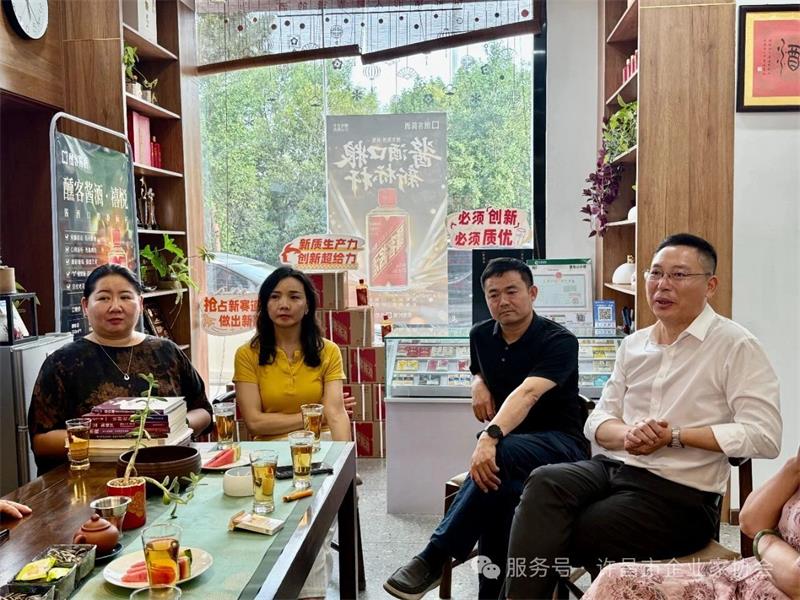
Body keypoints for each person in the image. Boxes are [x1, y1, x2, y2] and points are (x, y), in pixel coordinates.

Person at [504, 233, 783, 599]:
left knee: (562, 528)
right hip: (615, 468)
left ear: (710, 285)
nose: (662, 285)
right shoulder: (634, 344)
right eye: (655, 273)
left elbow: (764, 436)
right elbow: (597, 420)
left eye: (679, 275)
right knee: (543, 482)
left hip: (681, 495)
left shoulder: (735, 345)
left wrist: (674, 436)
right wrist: (630, 434)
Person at [384, 257, 590, 600]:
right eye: (494, 294)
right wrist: (477, 382)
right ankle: (493, 593)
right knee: (500, 490)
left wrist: (489, 437)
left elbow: (527, 393)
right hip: (511, 451)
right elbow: (479, 368)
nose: (503, 301)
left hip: (561, 445)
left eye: (512, 291)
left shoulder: (559, 340)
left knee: (498, 457)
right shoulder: (480, 335)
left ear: (532, 293)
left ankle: (435, 556)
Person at [233, 266, 351, 600]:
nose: (284, 304)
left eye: (294, 297)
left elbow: (336, 413)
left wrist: (345, 463)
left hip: (320, 450)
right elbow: (255, 423)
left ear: (308, 305)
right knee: (269, 518)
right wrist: (310, 416)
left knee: (311, 520)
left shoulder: (328, 351)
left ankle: (310, 594)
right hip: (268, 455)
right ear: (264, 304)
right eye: (275, 297)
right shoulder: (248, 354)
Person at [28, 264, 213, 474]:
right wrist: (109, 442)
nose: (115, 306)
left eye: (125, 297)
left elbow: (204, 412)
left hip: (167, 473)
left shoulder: (166, 351)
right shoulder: (62, 362)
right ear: (85, 306)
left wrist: (172, 427)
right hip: (90, 480)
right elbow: (41, 440)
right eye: (104, 298)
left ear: (140, 303)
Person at [581, 445, 800, 599]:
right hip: (743, 576)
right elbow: (750, 521)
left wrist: (765, 539)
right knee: (615, 577)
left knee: (598, 527)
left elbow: (796, 580)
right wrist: (795, 466)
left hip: (764, 587)